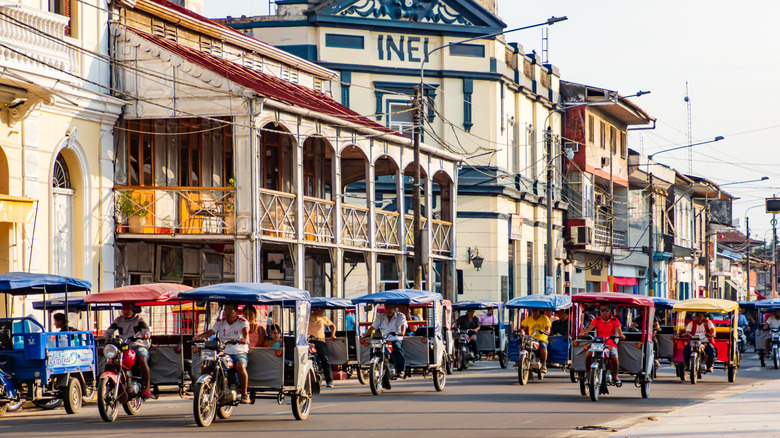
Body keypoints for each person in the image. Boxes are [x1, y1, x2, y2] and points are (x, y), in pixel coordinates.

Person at [194, 301, 250, 403]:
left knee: (240, 366)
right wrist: (198, 337)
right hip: (224, 352)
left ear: (236, 311)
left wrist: (245, 339)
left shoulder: (243, 322)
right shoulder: (220, 322)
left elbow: (245, 332)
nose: (226, 312)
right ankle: (202, 389)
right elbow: (209, 333)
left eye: (229, 310)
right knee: (207, 366)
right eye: (225, 309)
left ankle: (245, 394)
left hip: (238, 352)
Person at [101, 303, 153, 399]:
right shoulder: (118, 320)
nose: (125, 311)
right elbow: (108, 332)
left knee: (142, 359)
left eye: (128, 308)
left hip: (138, 345)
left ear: (134, 309)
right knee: (112, 362)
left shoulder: (139, 319)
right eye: (124, 308)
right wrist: (101, 337)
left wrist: (146, 335)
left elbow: (147, 331)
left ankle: (147, 386)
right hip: (123, 346)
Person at [579, 304, 625, 385]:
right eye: (602, 310)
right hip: (598, 343)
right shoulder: (597, 320)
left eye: (606, 310)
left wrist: (621, 336)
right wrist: (582, 334)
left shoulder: (615, 320)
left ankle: (615, 375)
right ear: (600, 311)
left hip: (610, 343)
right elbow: (589, 329)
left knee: (614, 357)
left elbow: (619, 331)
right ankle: (588, 374)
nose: (604, 312)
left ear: (610, 311)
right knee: (588, 354)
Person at [363, 304, 408, 378]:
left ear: (394, 309)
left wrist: (402, 332)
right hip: (383, 339)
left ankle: (401, 370)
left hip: (395, 338)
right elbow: (374, 326)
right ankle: (373, 367)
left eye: (390, 308)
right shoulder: (381, 316)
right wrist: (366, 334)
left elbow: (403, 324)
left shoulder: (400, 316)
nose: (388, 310)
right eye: (387, 308)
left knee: (397, 347)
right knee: (373, 349)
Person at [308, 307, 336, 388]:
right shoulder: (309, 316)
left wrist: (332, 335)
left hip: (320, 341)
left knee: (325, 359)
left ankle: (329, 381)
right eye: (321, 309)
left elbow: (332, 325)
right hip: (309, 340)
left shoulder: (324, 318)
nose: (322, 311)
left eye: (323, 309)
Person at [520, 309, 552, 373]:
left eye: (536, 310)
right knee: (521, 347)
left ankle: (544, 364)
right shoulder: (528, 319)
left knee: (543, 346)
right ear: (531, 311)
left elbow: (548, 329)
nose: (534, 312)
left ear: (539, 311)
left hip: (541, 338)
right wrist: (522, 332)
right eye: (533, 310)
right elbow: (522, 327)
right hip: (531, 338)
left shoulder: (545, 318)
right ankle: (521, 363)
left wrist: (546, 332)